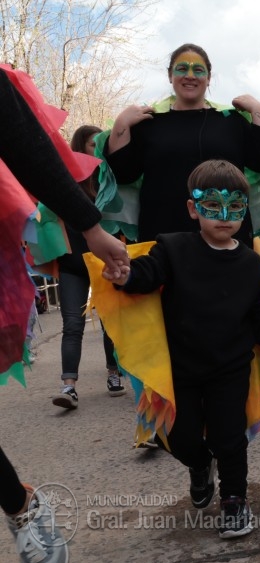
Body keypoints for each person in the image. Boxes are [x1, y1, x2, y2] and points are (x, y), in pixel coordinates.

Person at [103, 160, 260, 538]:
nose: (224, 216)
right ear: (193, 208)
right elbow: (147, 277)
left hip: (230, 367)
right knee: (178, 438)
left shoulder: (253, 265)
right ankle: (200, 464)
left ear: (245, 209)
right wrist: (127, 276)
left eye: (235, 207)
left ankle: (235, 500)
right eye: (212, 206)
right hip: (180, 368)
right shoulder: (172, 247)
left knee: (230, 437)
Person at [2, 64, 128, 563]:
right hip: (75, 269)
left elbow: (26, 147)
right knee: (74, 323)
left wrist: (91, 228)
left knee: (89, 324)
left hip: (88, 260)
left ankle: (20, 503)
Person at [102, 42, 260, 246]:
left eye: (198, 70)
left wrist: (257, 110)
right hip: (163, 238)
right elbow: (123, 174)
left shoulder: (231, 121)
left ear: (209, 78)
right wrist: (121, 123)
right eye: (182, 68)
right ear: (170, 76)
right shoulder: (148, 123)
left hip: (227, 241)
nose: (190, 75)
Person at [52, 125, 125, 410]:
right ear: (80, 147)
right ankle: (68, 386)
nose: (99, 148)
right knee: (72, 325)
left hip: (103, 263)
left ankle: (114, 373)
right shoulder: (64, 182)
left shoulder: (110, 182)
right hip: (72, 266)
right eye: (95, 144)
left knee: (110, 323)